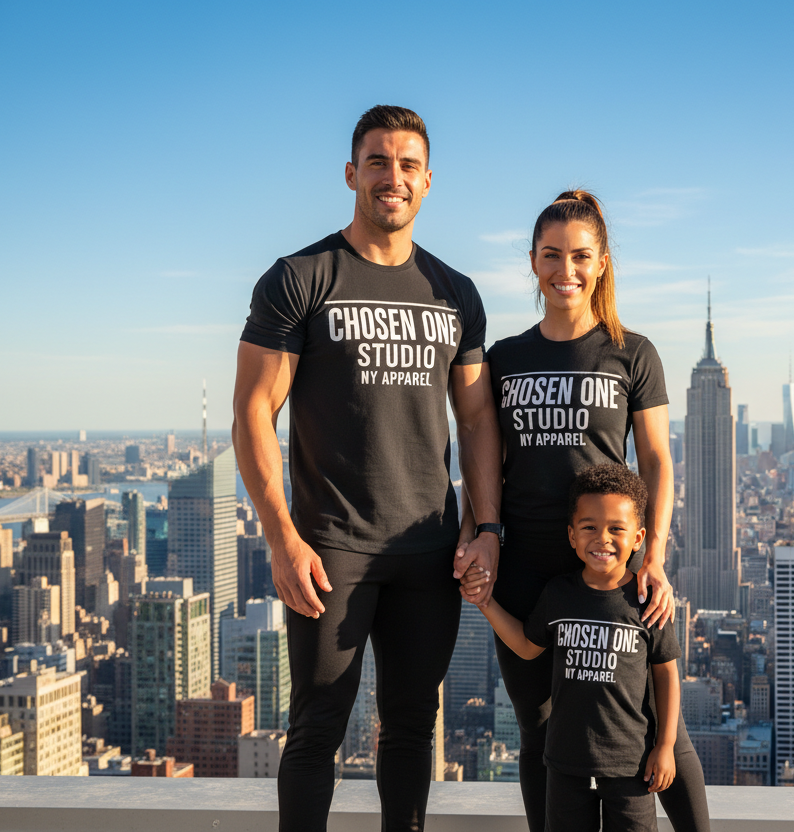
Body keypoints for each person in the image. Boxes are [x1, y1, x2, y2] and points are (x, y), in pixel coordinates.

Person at [232, 105, 502, 832]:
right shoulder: (301, 278)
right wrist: (282, 538)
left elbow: (476, 421)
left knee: (413, 723)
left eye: (408, 164)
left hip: (428, 549)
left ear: (428, 181)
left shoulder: (456, 294)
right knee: (317, 724)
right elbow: (254, 413)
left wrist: (488, 529)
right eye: (378, 162)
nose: (393, 176)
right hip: (330, 547)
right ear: (352, 174)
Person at [455, 190, 710, 832]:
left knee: (654, 721)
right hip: (525, 566)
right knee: (540, 729)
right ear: (533, 263)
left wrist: (651, 559)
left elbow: (656, 462)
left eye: (579, 256)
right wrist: (478, 536)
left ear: (600, 265)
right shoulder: (506, 358)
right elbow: (482, 455)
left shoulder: (633, 352)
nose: (564, 269)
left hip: (607, 565)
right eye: (550, 255)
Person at [467, 464, 680, 832]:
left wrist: (665, 746)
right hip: (565, 763)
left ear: (639, 537)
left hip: (631, 765)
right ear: (571, 535)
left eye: (617, 528)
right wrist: (485, 602)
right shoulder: (558, 594)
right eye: (589, 528)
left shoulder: (648, 601)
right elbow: (526, 646)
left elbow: (666, 675)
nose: (603, 539)